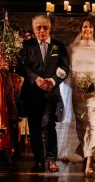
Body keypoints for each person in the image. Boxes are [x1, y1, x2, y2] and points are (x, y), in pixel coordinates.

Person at [18, 15, 69, 172]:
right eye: (38, 28)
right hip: (32, 93)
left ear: (50, 28)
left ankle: (51, 159)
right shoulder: (26, 46)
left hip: (50, 93)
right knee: (34, 126)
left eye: (45, 27)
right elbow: (23, 67)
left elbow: (64, 68)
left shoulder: (58, 47)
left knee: (48, 124)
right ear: (34, 29)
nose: (42, 30)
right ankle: (38, 159)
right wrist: (36, 79)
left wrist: (52, 81)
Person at [67, 18, 95, 175]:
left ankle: (89, 161)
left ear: (94, 30)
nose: (88, 29)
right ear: (80, 30)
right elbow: (69, 70)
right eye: (85, 27)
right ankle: (86, 153)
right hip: (78, 93)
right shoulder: (72, 48)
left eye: (90, 27)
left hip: (94, 93)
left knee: (93, 126)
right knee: (81, 126)